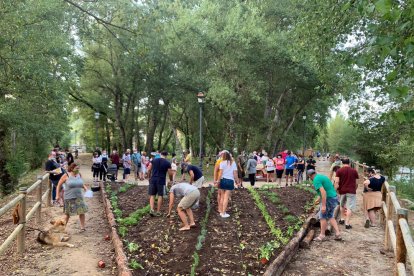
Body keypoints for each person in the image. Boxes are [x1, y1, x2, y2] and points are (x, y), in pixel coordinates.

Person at [307, 169, 342, 241]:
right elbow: (327, 189)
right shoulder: (321, 176)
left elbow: (324, 193)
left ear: (310, 176)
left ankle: (322, 235)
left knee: (322, 217)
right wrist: (319, 199)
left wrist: (323, 205)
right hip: (333, 197)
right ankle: (338, 234)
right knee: (331, 216)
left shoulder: (316, 180)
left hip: (329, 199)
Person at [56, 163, 88, 232]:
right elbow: (58, 185)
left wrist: (85, 188)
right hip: (69, 197)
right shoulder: (66, 175)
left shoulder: (79, 174)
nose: (78, 170)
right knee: (67, 214)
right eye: (76, 168)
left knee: (81, 212)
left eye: (78, 168)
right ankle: (62, 229)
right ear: (72, 168)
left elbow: (81, 183)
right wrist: (57, 195)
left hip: (79, 196)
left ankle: (83, 227)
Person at [335, 158, 359, 230]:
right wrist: (355, 189)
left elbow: (336, 182)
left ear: (342, 163)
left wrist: (336, 190)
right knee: (349, 207)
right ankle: (347, 223)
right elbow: (357, 183)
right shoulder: (354, 171)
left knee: (342, 205)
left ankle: (342, 219)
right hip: (351, 191)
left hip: (342, 191)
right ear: (349, 163)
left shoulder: (339, 171)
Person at [148, 151, 173, 216]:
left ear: (160, 154)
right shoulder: (167, 163)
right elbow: (170, 173)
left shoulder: (154, 160)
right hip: (161, 180)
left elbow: (149, 169)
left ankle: (151, 209)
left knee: (152, 195)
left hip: (153, 179)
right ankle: (158, 211)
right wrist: (171, 180)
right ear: (166, 155)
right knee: (160, 195)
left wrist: (149, 177)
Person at [216, 151, 240, 218]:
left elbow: (220, 174)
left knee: (222, 196)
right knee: (226, 197)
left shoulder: (222, 163)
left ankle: (221, 211)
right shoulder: (233, 163)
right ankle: (224, 213)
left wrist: (218, 181)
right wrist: (237, 182)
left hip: (222, 180)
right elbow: (235, 174)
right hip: (230, 181)